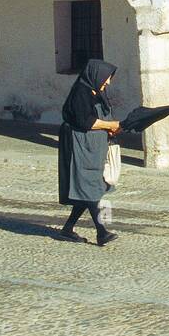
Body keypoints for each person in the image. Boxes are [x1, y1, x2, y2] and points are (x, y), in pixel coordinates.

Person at [57, 58, 121, 245]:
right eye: (106, 78)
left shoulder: (97, 91)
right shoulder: (81, 93)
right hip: (81, 146)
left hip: (94, 146)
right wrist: (110, 125)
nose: (108, 82)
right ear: (96, 76)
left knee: (88, 187)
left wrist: (112, 128)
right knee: (89, 185)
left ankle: (68, 229)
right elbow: (86, 121)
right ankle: (102, 232)